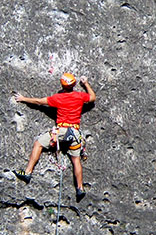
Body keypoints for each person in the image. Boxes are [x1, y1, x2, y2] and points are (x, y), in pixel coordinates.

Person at [13, 72, 96, 201]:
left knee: (38, 144)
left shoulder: (58, 98)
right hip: (74, 133)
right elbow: (92, 97)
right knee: (76, 160)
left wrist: (23, 99)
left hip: (61, 131)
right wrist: (85, 83)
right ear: (74, 85)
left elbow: (38, 101)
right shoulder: (79, 96)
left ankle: (28, 173)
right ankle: (80, 188)